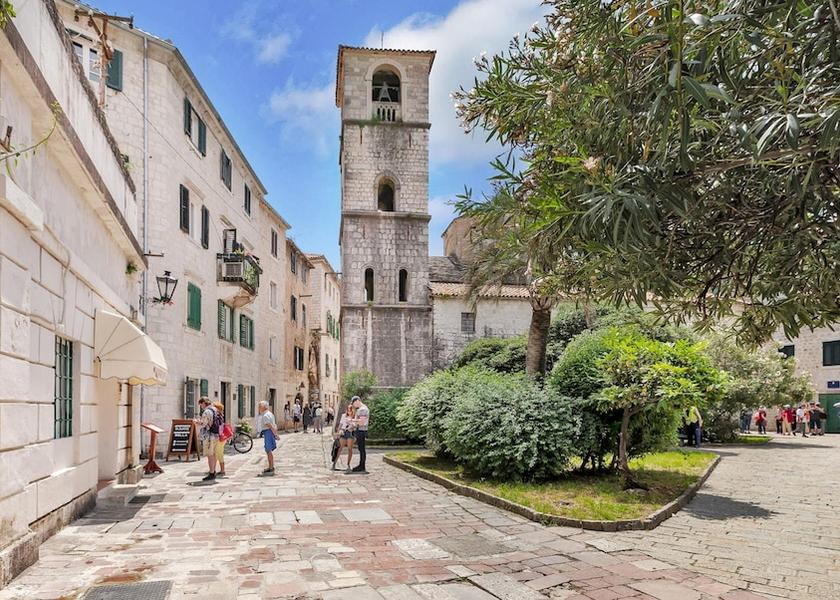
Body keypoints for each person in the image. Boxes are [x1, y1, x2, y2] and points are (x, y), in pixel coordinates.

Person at [196, 397, 220, 481]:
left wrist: (197, 422)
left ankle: (211, 473)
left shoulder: (207, 411)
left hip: (209, 436)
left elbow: (203, 423)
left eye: (201, 405)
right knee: (214, 454)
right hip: (216, 435)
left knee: (210, 455)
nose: (201, 407)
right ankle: (213, 471)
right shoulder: (215, 409)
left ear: (203, 403)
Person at [256, 400, 278, 474]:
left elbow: (269, 425)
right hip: (269, 432)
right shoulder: (270, 414)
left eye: (260, 406)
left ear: (263, 407)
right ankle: (270, 466)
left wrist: (275, 434)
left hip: (268, 432)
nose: (259, 408)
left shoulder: (265, 415)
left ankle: (271, 467)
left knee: (268, 450)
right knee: (268, 450)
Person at [333, 405, 355, 471]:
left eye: (350, 410)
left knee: (349, 449)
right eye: (348, 410)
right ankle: (334, 464)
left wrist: (352, 426)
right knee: (339, 448)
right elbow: (340, 424)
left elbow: (355, 426)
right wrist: (337, 433)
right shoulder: (343, 416)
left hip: (350, 433)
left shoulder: (355, 417)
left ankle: (348, 465)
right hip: (343, 432)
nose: (349, 411)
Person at [351, 396, 370, 472]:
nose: (354, 406)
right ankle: (361, 465)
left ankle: (362, 466)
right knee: (361, 449)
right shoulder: (362, 409)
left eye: (354, 403)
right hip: (361, 430)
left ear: (357, 401)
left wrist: (351, 420)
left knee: (362, 449)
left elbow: (361, 422)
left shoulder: (363, 409)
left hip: (361, 431)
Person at [213, 401, 228, 476]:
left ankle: (222, 470)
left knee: (219, 454)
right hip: (222, 438)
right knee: (217, 454)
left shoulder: (218, 417)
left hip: (220, 438)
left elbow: (217, 428)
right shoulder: (220, 416)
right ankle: (214, 469)